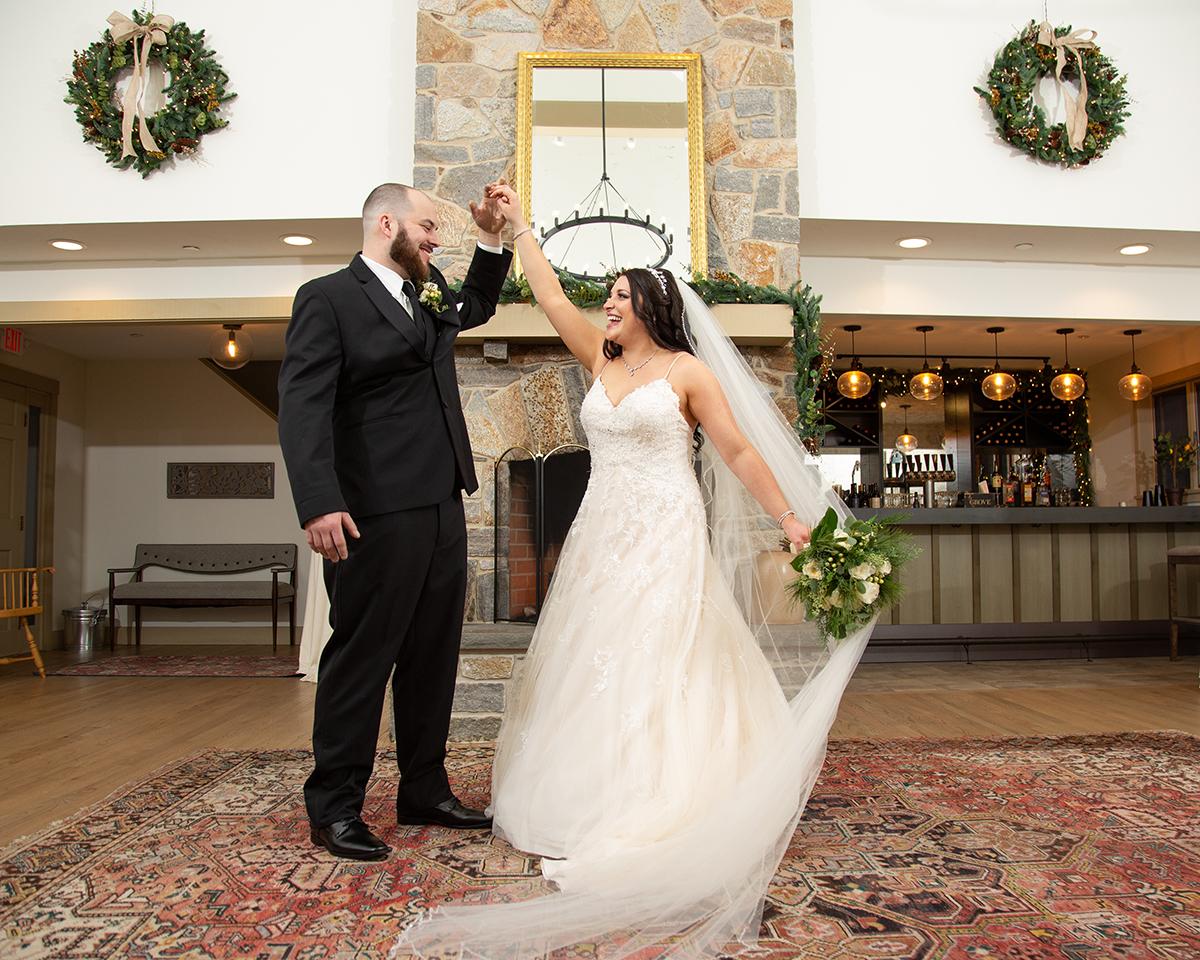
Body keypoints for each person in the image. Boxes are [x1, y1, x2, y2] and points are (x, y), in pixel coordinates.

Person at [394, 187, 876, 958]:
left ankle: (674, 800)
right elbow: (549, 296)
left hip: (666, 530)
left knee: (663, 655)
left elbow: (740, 451)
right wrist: (518, 230)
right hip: (601, 534)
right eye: (609, 297)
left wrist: (791, 518)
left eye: (620, 297)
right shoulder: (598, 357)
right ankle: (591, 795)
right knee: (597, 660)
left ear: (652, 304)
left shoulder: (688, 374)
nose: (608, 306)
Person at [278, 183, 512, 861]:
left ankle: (425, 789)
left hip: (442, 500)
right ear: (387, 223)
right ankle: (335, 807)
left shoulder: (430, 288)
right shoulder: (328, 298)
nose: (437, 238)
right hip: (371, 510)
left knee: (433, 653)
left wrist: (492, 240)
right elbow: (303, 406)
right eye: (429, 226)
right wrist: (319, 500)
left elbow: (476, 307)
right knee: (362, 656)